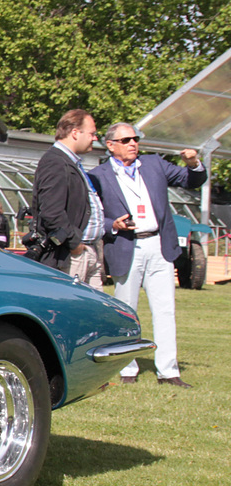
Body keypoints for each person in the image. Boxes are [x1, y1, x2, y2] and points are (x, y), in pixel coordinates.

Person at [90, 123, 208, 387]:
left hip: (158, 244)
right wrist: (113, 225)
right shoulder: (98, 175)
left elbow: (192, 181)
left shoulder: (154, 164)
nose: (133, 143)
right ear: (111, 145)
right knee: (126, 310)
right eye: (126, 139)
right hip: (125, 245)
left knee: (165, 310)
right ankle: (127, 368)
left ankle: (168, 371)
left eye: (135, 138)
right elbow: (93, 213)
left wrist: (193, 163)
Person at [26, 109, 105, 288]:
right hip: (72, 255)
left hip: (87, 251)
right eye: (92, 133)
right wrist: (75, 244)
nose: (94, 138)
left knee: (95, 312)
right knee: (71, 311)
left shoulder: (71, 162)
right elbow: (51, 211)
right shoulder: (55, 162)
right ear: (75, 133)